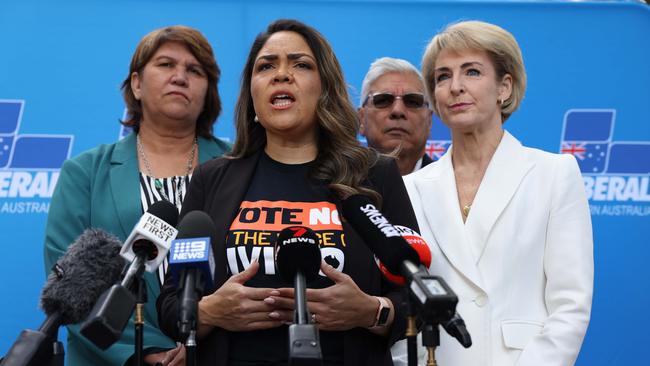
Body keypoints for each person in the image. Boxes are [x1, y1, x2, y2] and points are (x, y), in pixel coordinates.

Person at [157, 19, 418, 366]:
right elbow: (172, 303)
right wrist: (210, 311)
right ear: (252, 92)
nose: (281, 75)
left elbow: (418, 294)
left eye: (300, 64)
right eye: (266, 66)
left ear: (324, 87)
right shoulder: (211, 179)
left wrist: (371, 311)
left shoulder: (374, 175)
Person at [399, 20, 593, 366]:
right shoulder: (411, 188)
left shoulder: (553, 174)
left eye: (471, 72)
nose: (455, 87)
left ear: (505, 87)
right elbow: (403, 303)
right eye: (443, 76)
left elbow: (570, 306)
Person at [44, 25, 230, 366]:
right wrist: (147, 349)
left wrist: (205, 327)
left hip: (221, 352)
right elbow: (70, 284)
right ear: (137, 84)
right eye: (165, 64)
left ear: (208, 91)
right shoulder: (85, 172)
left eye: (194, 70)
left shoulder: (239, 165)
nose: (180, 77)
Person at [358, 57, 433, 175]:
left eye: (412, 101)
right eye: (383, 100)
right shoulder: (335, 188)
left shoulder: (454, 187)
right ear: (362, 119)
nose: (398, 110)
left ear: (429, 121)